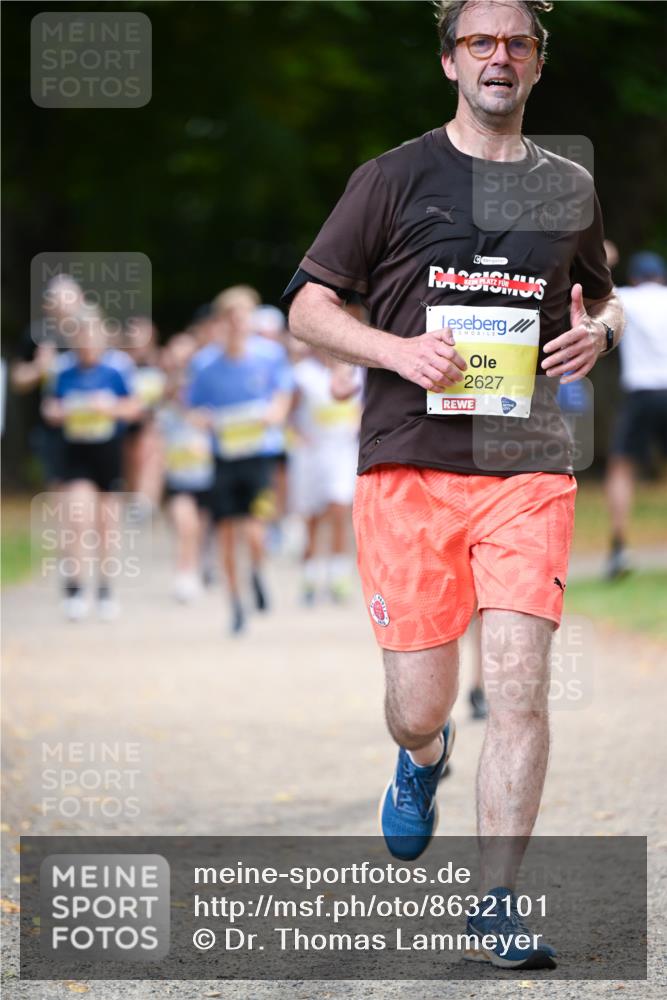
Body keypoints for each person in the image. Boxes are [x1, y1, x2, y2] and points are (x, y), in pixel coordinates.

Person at [285, 0, 624, 970]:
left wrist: (593, 333)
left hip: (527, 468)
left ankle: (497, 900)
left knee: (518, 688)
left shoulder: (566, 186)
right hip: (405, 465)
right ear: (449, 62)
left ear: (537, 65)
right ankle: (421, 757)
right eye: (480, 42)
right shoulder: (390, 178)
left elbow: (598, 296)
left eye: (516, 43)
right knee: (419, 701)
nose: (499, 57)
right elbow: (309, 305)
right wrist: (394, 347)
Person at [188, 286, 293, 634]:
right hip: (225, 459)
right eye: (230, 319)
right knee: (227, 534)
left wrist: (272, 414)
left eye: (242, 317)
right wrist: (207, 423)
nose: (237, 325)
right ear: (221, 323)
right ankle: (235, 603)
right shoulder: (204, 364)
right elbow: (193, 410)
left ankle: (258, 571)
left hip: (259, 456)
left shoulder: (270, 356)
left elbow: (282, 397)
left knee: (255, 529)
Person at [41, 312, 142, 621]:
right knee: (77, 518)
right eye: (81, 336)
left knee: (106, 526)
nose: (87, 342)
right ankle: (74, 587)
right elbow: (49, 408)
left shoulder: (118, 368)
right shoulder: (62, 369)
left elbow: (135, 409)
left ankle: (105, 589)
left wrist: (109, 407)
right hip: (74, 454)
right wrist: (62, 411)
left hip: (108, 453)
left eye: (92, 335)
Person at [604, 251, 667, 578]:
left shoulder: (624, 298)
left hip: (641, 391)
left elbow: (594, 287)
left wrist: (606, 257)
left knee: (622, 467)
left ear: (634, 279)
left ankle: (619, 546)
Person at [289, 352, 362, 603]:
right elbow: (289, 411)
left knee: (340, 509)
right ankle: (309, 575)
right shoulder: (303, 374)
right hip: (311, 455)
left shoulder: (356, 370)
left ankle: (338, 575)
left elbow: (362, 405)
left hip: (342, 452)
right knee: (312, 518)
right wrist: (298, 434)